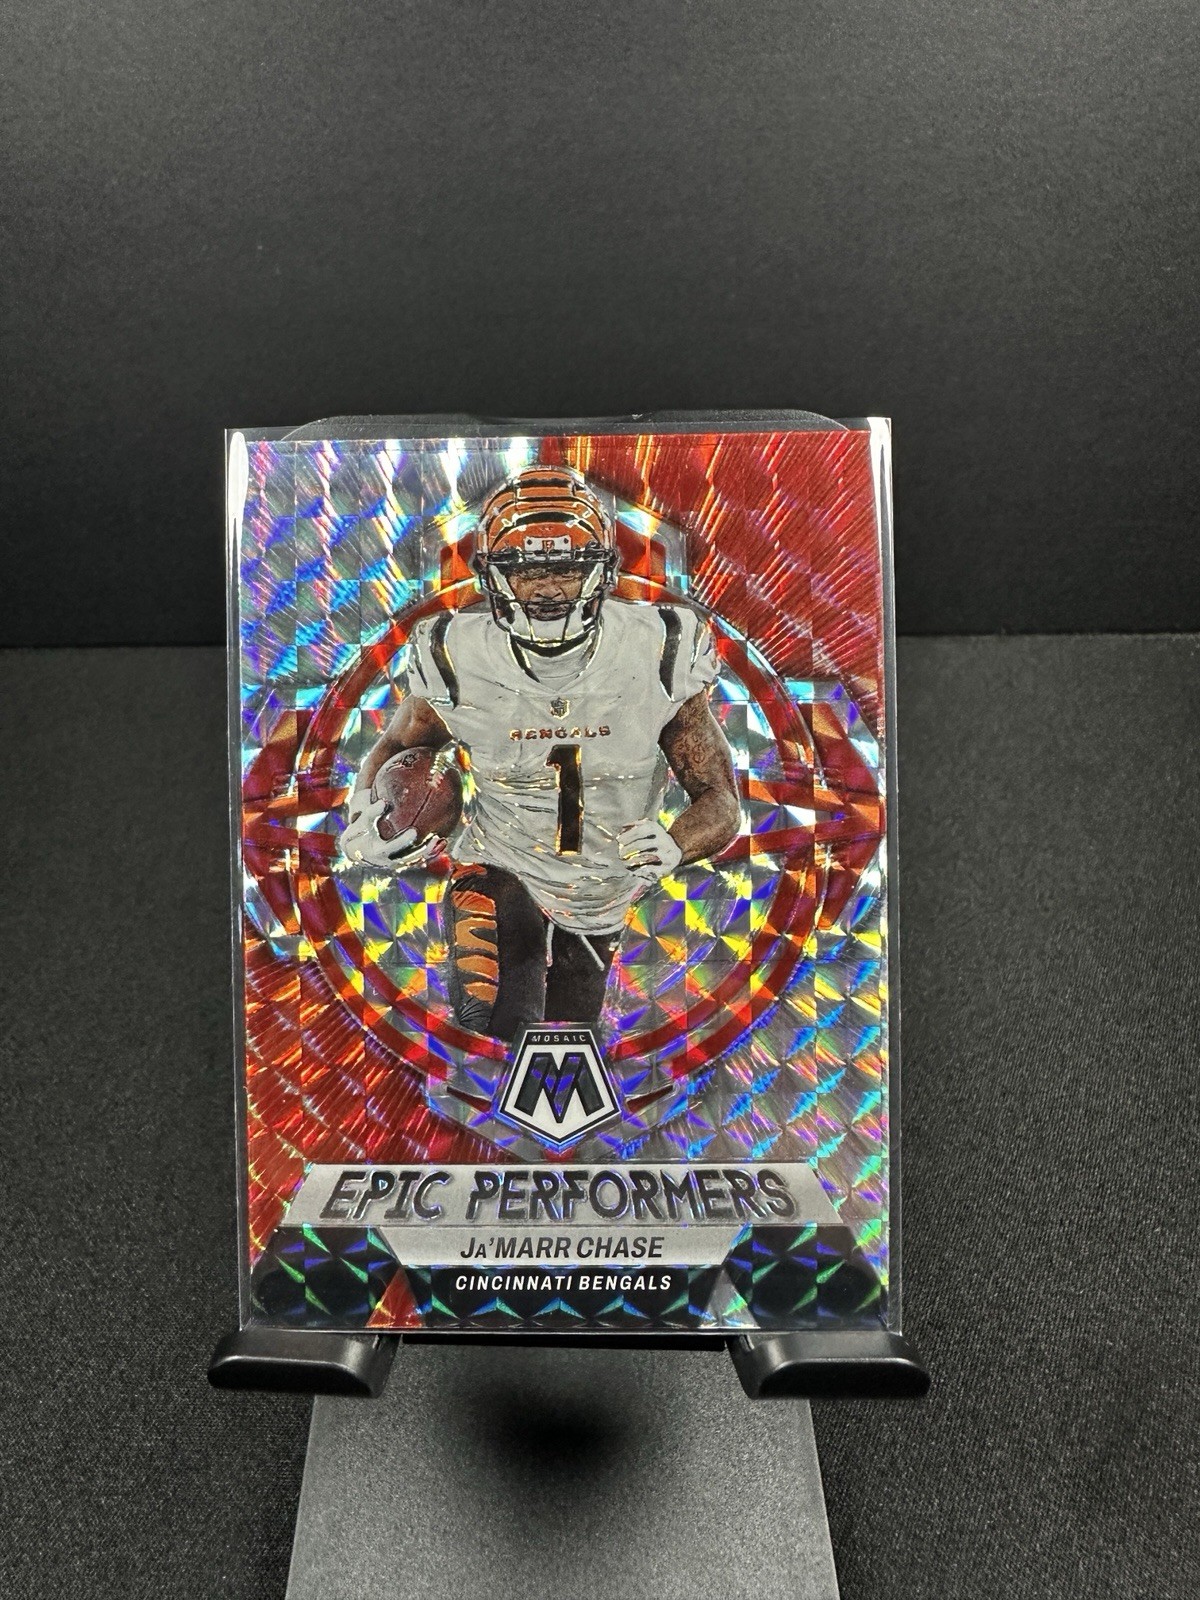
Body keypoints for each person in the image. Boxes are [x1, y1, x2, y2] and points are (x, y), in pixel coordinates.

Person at [341, 464, 740, 1043]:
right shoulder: (454, 653)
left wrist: (677, 843)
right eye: (525, 570)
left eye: (566, 568)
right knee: (496, 1020)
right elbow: (404, 743)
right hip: (499, 862)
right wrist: (364, 814)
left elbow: (718, 798)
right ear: (491, 575)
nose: (547, 588)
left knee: (566, 1038)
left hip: (603, 892)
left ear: (603, 571)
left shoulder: (661, 649)